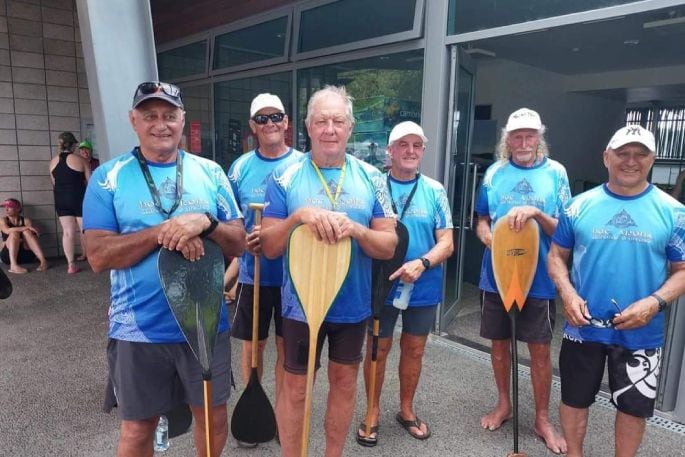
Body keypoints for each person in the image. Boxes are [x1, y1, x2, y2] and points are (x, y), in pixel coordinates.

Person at [82, 81, 245, 457]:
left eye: (170, 115)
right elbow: (98, 254)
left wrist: (206, 223)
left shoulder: (211, 173)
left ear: (183, 120)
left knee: (212, 418)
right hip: (138, 329)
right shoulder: (109, 177)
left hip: (205, 324)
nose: (161, 124)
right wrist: (164, 232)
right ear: (133, 120)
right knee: (138, 429)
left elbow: (238, 242)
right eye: (150, 115)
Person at [260, 85, 397, 457]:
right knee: (297, 388)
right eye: (321, 121)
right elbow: (269, 247)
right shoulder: (285, 177)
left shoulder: (373, 178)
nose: (330, 129)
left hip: (352, 305)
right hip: (299, 305)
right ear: (307, 127)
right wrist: (298, 218)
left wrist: (356, 229)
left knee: (344, 383)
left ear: (350, 127)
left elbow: (388, 245)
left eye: (338, 121)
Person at [548, 125, 685, 457]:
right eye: (623, 153)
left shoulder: (674, 212)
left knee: (633, 409)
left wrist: (654, 302)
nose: (631, 161)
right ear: (606, 157)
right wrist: (567, 293)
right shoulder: (577, 207)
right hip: (583, 329)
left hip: (642, 333)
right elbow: (555, 257)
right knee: (574, 400)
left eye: (641, 154)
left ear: (653, 159)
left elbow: (682, 270)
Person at [475, 108, 569, 454]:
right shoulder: (494, 173)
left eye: (530, 135)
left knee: (540, 350)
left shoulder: (556, 173)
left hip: (540, 278)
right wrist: (490, 239)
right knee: (499, 345)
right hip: (496, 274)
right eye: (517, 136)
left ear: (539, 138)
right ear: (508, 140)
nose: (524, 142)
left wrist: (536, 213)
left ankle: (542, 418)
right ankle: (504, 404)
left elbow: (564, 230)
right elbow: (481, 219)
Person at [357, 121, 453, 446]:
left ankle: (406, 409)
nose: (410, 151)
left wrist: (423, 262)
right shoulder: (373, 185)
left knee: (414, 349)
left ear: (423, 151)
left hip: (422, 284)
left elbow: (447, 242)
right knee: (377, 348)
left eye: (416, 145)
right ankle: (371, 411)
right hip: (381, 283)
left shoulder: (435, 190)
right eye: (403, 145)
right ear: (391, 150)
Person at [227, 93, 303, 446]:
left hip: (293, 277)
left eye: (277, 117)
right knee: (252, 348)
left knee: (288, 352)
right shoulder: (240, 168)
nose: (270, 123)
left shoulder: (304, 164)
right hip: (251, 276)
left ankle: (279, 413)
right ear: (253, 126)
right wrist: (242, 246)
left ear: (287, 122)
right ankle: (254, 408)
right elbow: (228, 222)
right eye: (263, 119)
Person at [49, 131, 91, 274]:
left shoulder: (52, 162)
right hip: (79, 197)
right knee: (85, 230)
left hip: (60, 198)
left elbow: (54, 183)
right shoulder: (80, 160)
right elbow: (90, 183)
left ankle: (71, 265)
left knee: (67, 232)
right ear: (73, 145)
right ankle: (93, 259)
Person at [0, 198, 48, 273]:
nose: (6, 209)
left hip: (27, 255)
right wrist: (26, 227)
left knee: (27, 232)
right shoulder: (3, 220)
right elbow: (7, 230)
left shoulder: (26, 220)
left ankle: (43, 261)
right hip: (8, 257)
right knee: (14, 233)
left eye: (9, 207)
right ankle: (13, 266)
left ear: (18, 209)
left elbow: (32, 236)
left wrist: (17, 240)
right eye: (5, 207)